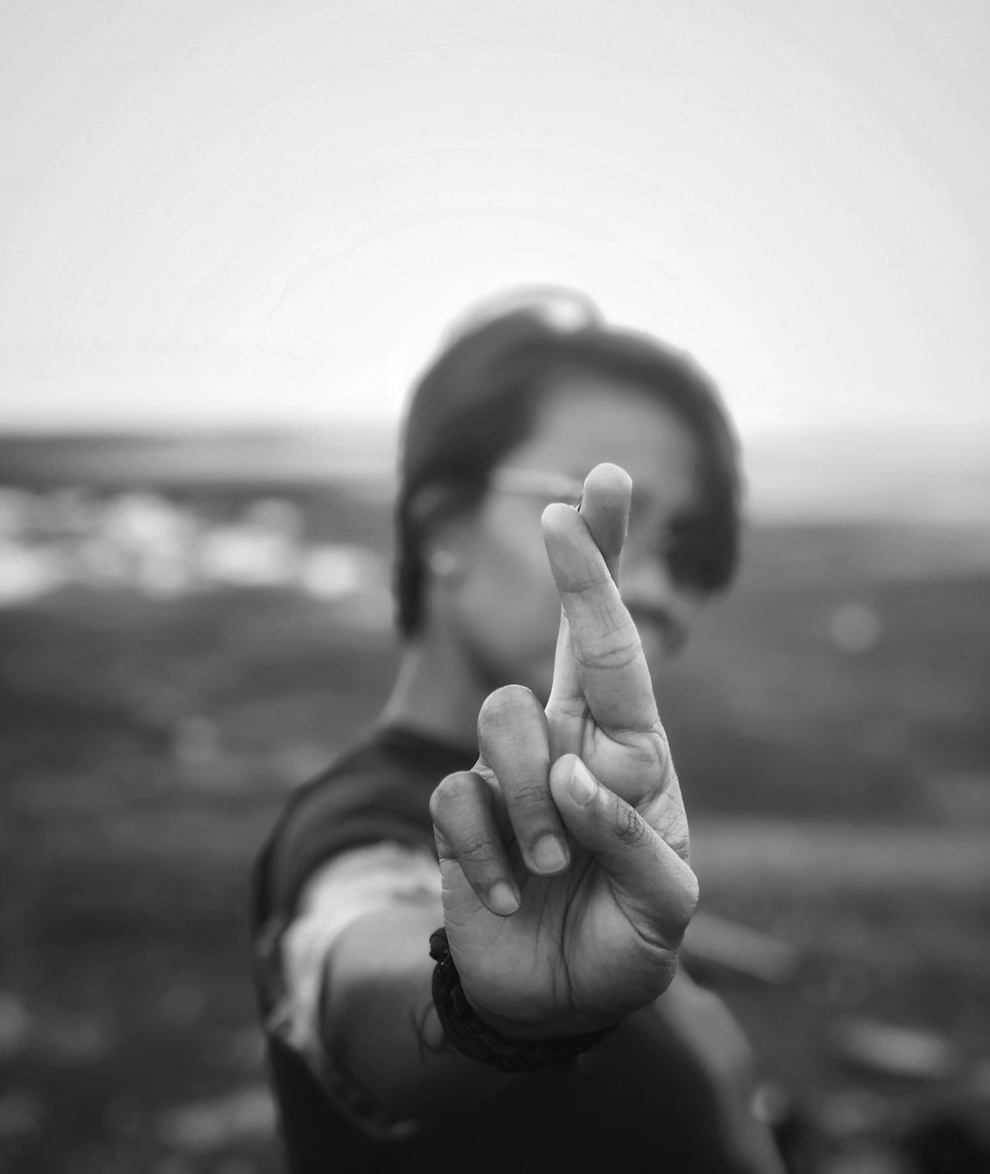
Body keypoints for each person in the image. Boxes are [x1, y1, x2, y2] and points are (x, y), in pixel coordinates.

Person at [251, 287, 787, 1173]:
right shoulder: (356, 823)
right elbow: (351, 950)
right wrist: (479, 1006)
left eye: (693, 550)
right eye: (602, 516)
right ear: (444, 523)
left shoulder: (584, 831)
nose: (655, 583)